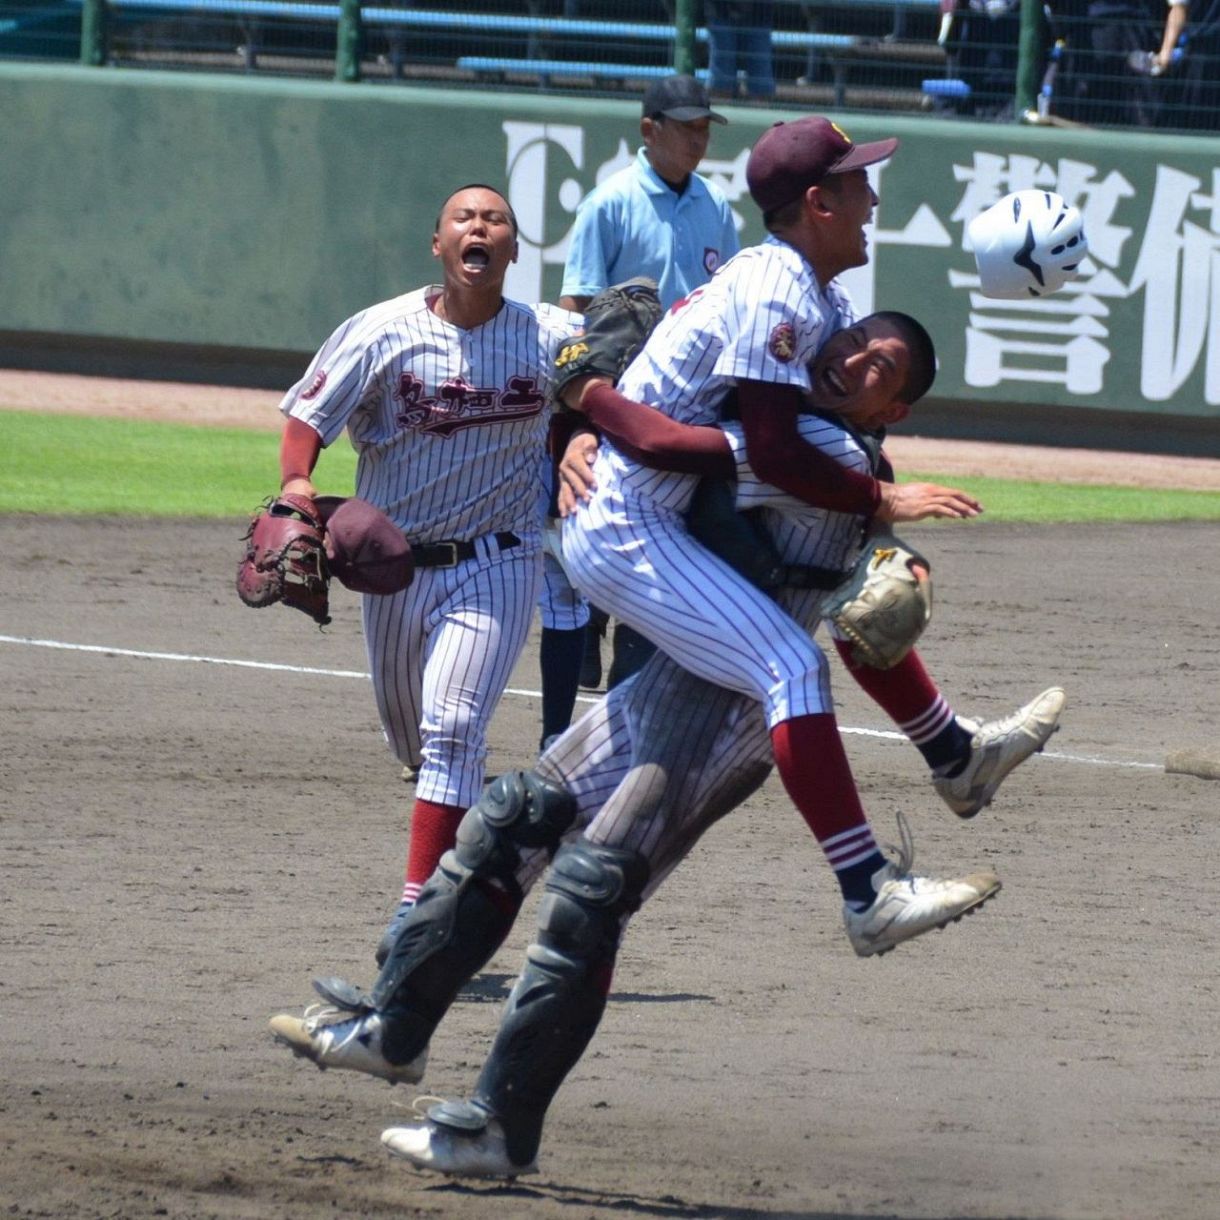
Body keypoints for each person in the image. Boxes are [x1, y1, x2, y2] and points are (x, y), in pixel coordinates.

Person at [266, 314, 1031, 1173]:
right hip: (661, 685)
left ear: (896, 409)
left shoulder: (830, 454)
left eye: (881, 366)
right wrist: (579, 440)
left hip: (720, 723)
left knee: (589, 896)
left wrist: (590, 414)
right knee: (512, 819)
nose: (852, 360)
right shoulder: (821, 448)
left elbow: (682, 446)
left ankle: (497, 1128)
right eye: (852, 341)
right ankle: (392, 1029)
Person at [275, 183, 581, 955]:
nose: (480, 227)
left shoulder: (547, 336)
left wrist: (582, 436)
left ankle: (420, 917)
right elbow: (308, 414)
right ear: (438, 245)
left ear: (514, 249)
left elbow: (602, 387)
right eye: (464, 218)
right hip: (396, 570)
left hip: (500, 562)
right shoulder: (383, 331)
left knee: (452, 731)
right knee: (420, 749)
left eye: (497, 220)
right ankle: (484, 852)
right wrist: (297, 484)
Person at [557, 73, 741, 694]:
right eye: (685, 128)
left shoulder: (715, 206)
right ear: (648, 130)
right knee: (605, 502)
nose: (697, 140)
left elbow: (733, 296)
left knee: (672, 514)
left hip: (691, 390)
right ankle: (584, 625)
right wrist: (581, 409)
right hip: (618, 388)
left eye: (703, 129)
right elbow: (574, 307)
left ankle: (635, 651)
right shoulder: (609, 203)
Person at [705, 0, 777, 101]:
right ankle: (720, 113)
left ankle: (758, 111)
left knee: (761, 83)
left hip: (760, 13)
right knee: (721, 80)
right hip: (721, 10)